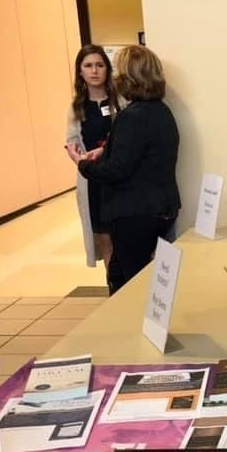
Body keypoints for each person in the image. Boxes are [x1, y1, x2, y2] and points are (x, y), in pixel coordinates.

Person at [67, 45, 180, 293]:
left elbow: (117, 170)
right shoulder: (161, 111)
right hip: (161, 207)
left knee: (132, 285)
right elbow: (141, 153)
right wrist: (106, 151)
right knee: (121, 273)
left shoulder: (132, 116)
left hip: (136, 213)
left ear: (129, 77)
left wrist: (83, 164)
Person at [66, 44, 120, 282]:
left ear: (107, 69)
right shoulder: (76, 107)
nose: (94, 71)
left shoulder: (121, 101)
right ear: (80, 71)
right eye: (88, 66)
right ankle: (114, 288)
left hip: (119, 179)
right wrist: (79, 157)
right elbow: (71, 142)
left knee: (124, 238)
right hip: (93, 182)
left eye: (99, 65)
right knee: (104, 240)